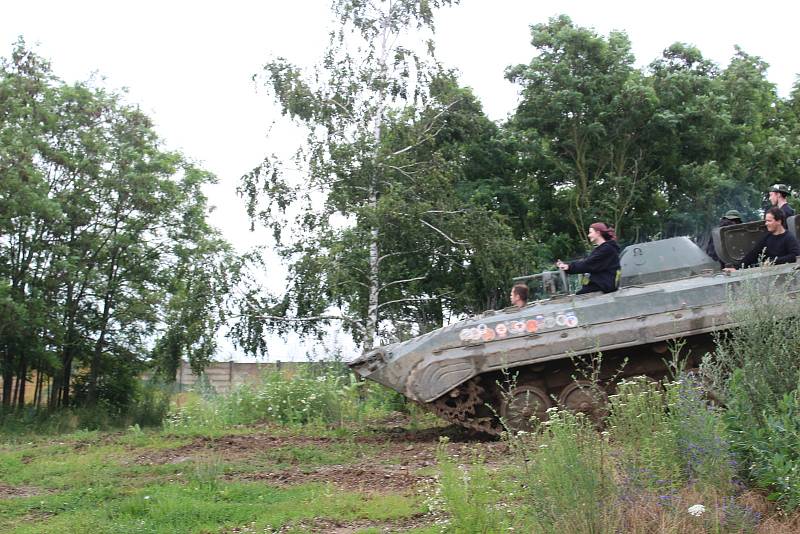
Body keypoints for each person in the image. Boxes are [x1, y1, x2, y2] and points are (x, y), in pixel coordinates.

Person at [724, 207, 800, 271]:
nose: (766, 223)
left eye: (769, 221)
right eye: (766, 221)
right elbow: (753, 254)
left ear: (779, 221)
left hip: (786, 273)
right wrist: (736, 268)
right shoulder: (767, 238)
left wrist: (773, 261)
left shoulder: (789, 238)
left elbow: (795, 256)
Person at [556, 222, 621, 295]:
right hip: (601, 284)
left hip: (603, 286)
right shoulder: (603, 249)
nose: (588, 235)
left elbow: (588, 264)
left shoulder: (607, 249)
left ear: (598, 233)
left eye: (590, 232)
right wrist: (568, 267)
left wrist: (569, 267)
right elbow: (588, 262)